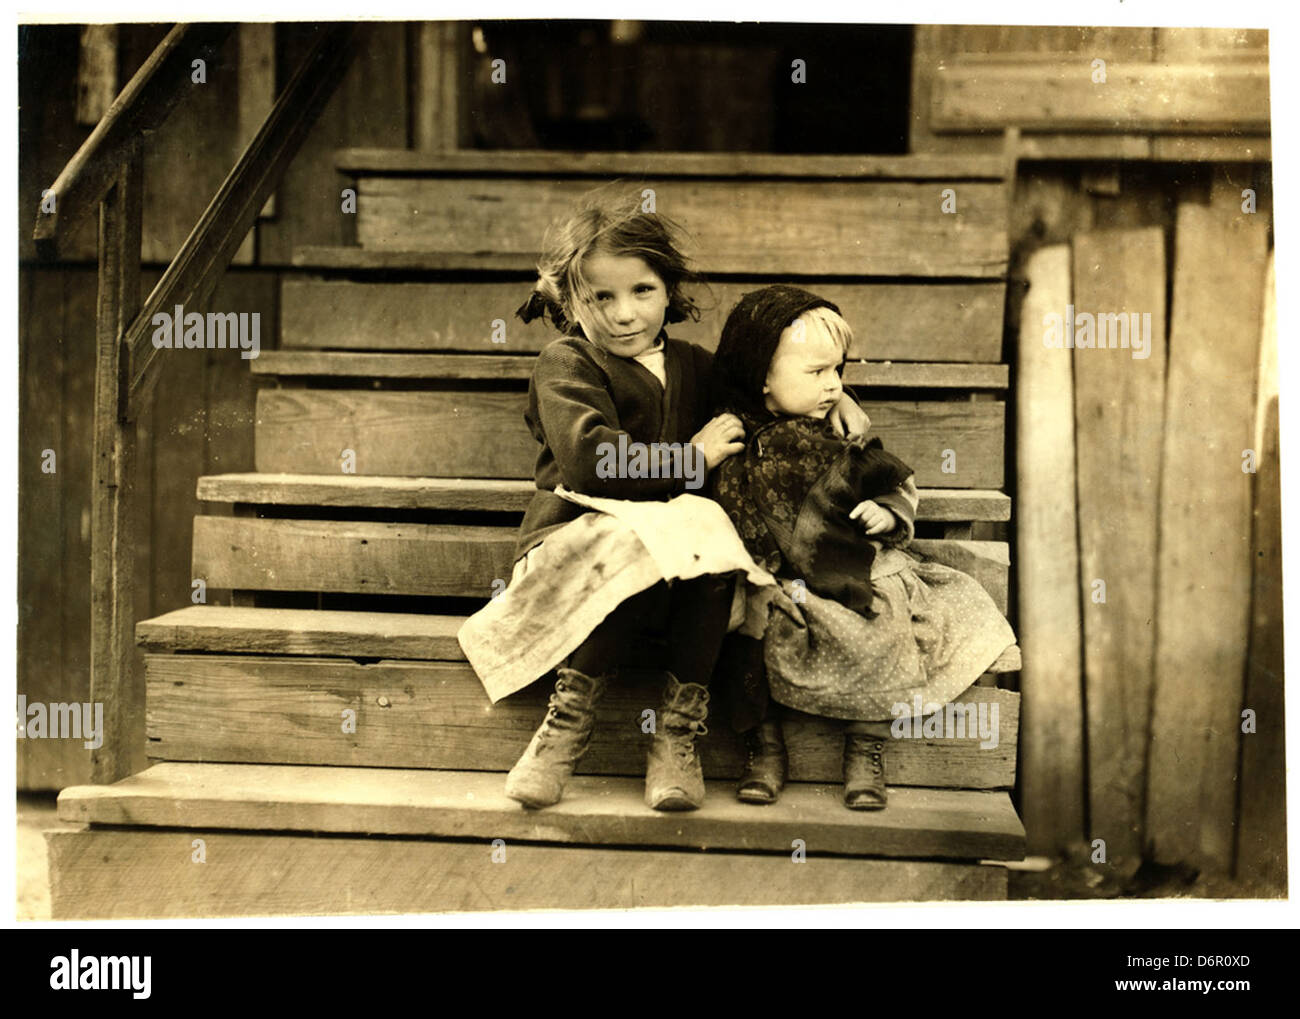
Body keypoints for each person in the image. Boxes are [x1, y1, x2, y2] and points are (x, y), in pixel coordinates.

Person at [457, 192, 871, 812]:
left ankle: (676, 737)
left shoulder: (694, 366)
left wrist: (835, 396)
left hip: (676, 573)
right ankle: (565, 729)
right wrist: (692, 458)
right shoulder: (568, 363)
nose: (625, 315)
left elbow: (771, 386)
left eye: (642, 291)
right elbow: (592, 462)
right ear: (571, 301)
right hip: (579, 547)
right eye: (602, 297)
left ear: (668, 290)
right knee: (674, 529)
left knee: (708, 539)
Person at [708, 285, 1017, 810]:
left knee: (882, 621)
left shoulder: (838, 436)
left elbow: (892, 482)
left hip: (851, 571)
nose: (832, 386)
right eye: (816, 373)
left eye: (839, 372)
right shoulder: (732, 432)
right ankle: (763, 748)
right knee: (740, 628)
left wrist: (888, 510)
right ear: (760, 374)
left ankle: (865, 748)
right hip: (771, 576)